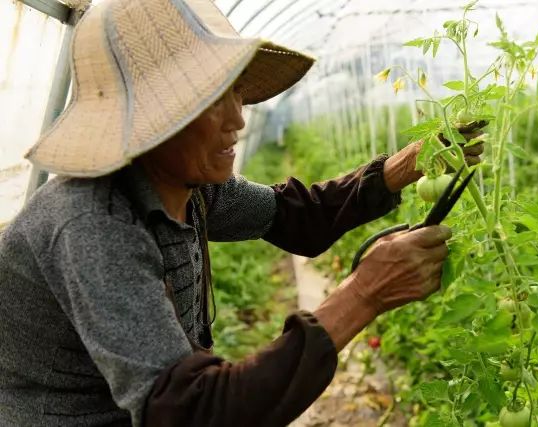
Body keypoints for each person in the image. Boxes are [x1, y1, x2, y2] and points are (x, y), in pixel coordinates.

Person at [0, 0, 482, 426]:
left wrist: (403, 168)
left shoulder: (190, 187)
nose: (238, 119)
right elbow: (190, 411)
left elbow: (297, 218)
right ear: (151, 120)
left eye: (235, 91)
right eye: (212, 100)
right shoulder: (92, 227)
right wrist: (363, 294)